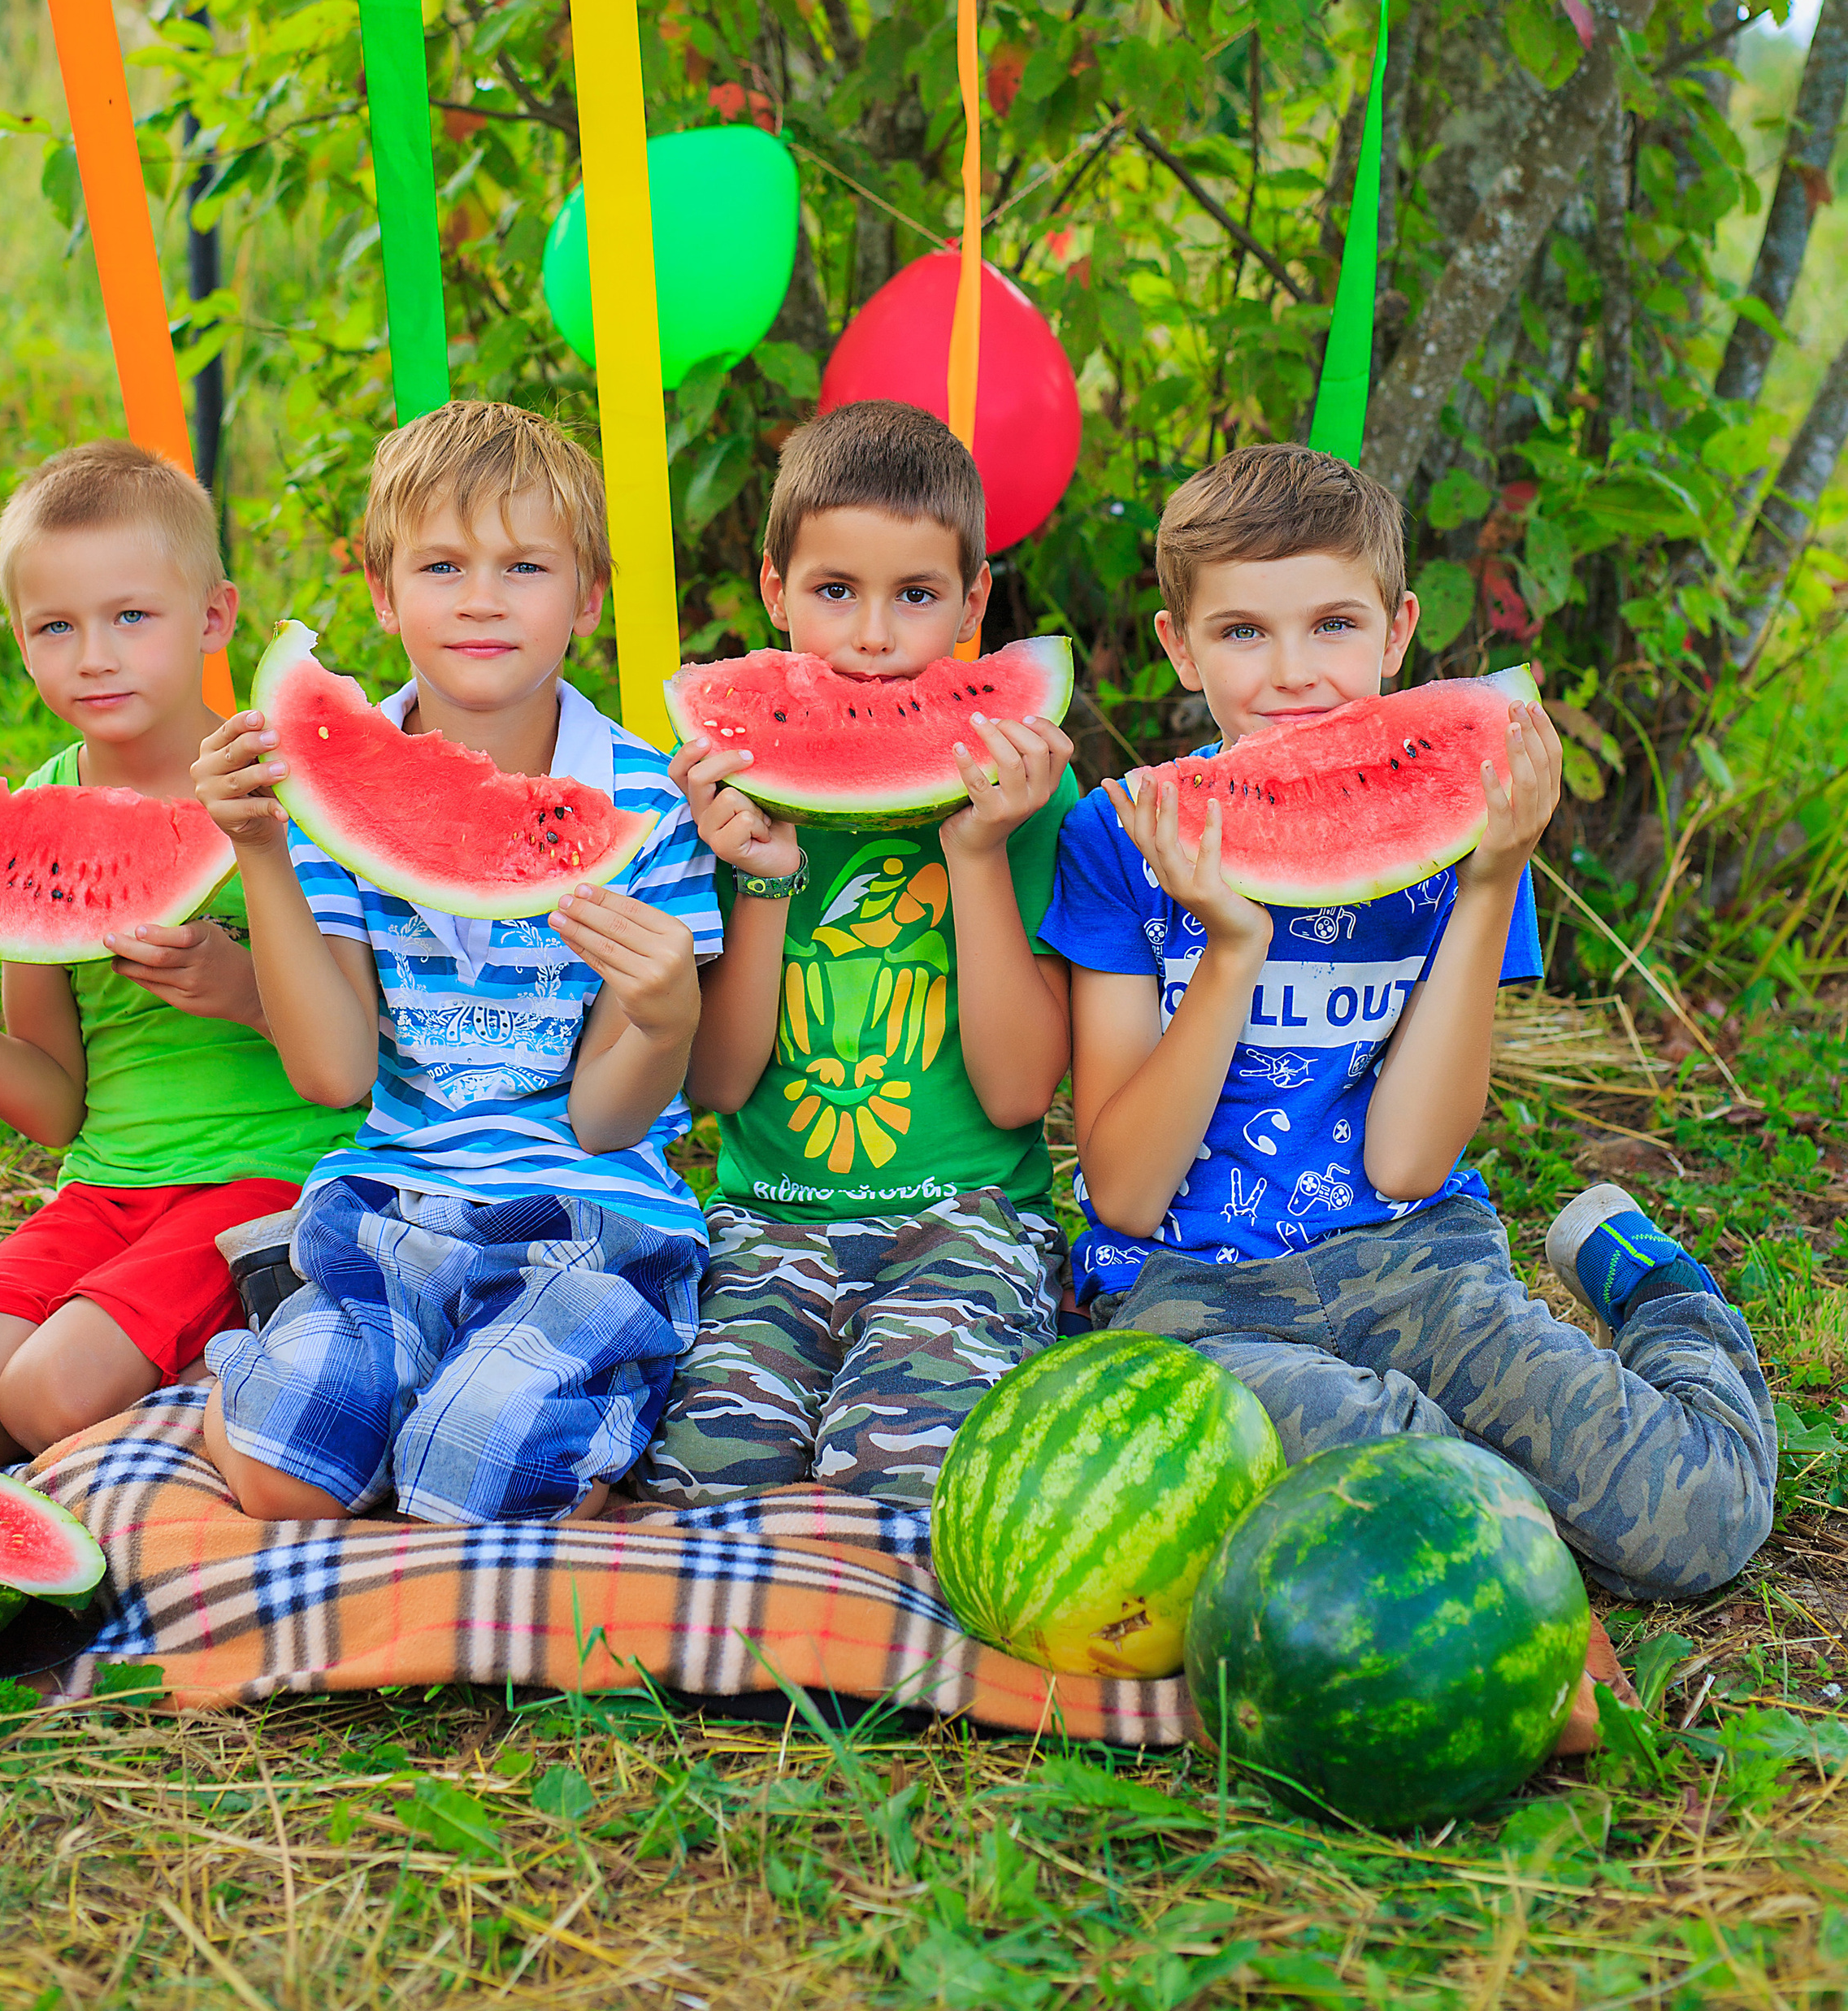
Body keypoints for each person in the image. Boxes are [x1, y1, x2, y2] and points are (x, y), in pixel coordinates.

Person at [1050, 441, 1778, 1599]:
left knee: (1700, 1524)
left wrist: (1492, 880)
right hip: (1194, 1301)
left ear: (1398, 631)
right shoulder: (1120, 838)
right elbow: (1129, 1191)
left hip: (1420, 1258)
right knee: (1418, 1513)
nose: (1293, 672)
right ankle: (1496, 1488)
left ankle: (1652, 1284)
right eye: (1243, 631)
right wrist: (1230, 948)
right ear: (1178, 646)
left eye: (1334, 624)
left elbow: (1407, 1156)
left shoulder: (1468, 834)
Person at [192, 401, 718, 1526]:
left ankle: (529, 1407)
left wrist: (667, 1018)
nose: (482, 596)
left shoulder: (647, 807)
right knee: (286, 1481)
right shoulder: (323, 798)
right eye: (442, 564)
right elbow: (333, 1073)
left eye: (523, 565)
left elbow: (604, 1122)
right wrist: (261, 850)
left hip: (590, 1218)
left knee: (476, 1476)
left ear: (586, 597)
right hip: (388, 1215)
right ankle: (302, 1381)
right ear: (385, 592)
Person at [0, 441, 361, 1462]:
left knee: (48, 1393)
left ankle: (264, 1367)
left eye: (131, 616)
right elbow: (55, 1106)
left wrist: (244, 989)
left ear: (212, 618)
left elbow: (365, 1056)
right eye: (57, 626)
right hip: (107, 1188)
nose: (95, 654)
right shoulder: (34, 820)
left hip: (273, 1182)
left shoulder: (282, 795)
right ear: (19, 640)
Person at [647, 399, 1076, 1505]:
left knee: (895, 1475)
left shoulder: (1023, 787)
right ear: (774, 587)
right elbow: (716, 1085)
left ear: (975, 601)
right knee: (702, 1481)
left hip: (970, 1219)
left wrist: (977, 854)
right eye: (836, 591)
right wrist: (763, 876)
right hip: (769, 1219)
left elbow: (1023, 1088)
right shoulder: (721, 786)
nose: (874, 636)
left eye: (917, 596)